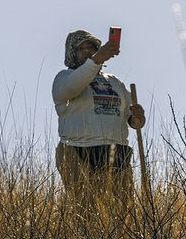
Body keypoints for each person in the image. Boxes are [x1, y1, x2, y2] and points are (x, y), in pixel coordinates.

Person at [52, 28, 146, 207]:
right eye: (81, 48)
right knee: (85, 211)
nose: (88, 51)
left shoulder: (114, 82)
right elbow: (72, 88)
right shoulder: (65, 77)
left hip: (116, 152)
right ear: (72, 53)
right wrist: (96, 60)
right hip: (77, 151)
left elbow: (130, 118)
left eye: (92, 47)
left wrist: (137, 118)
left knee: (121, 211)